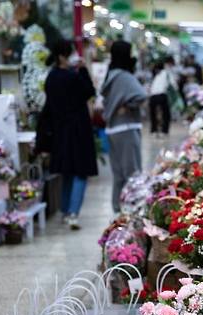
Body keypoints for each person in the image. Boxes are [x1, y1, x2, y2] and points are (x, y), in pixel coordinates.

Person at [38, 39, 97, 230]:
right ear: (63, 56)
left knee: (67, 172)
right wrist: (84, 70)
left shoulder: (51, 77)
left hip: (60, 131)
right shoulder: (73, 77)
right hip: (78, 130)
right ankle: (73, 212)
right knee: (80, 172)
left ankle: (65, 211)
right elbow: (89, 91)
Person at [101, 40, 147, 213]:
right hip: (127, 127)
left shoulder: (111, 74)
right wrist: (129, 105)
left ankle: (117, 210)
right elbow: (141, 95)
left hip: (113, 129)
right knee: (133, 173)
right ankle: (133, 210)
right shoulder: (125, 77)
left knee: (119, 175)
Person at [149, 61, 176, 135]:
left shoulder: (156, 74)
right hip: (161, 95)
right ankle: (164, 130)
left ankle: (154, 130)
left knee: (153, 113)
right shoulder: (167, 73)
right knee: (166, 113)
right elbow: (174, 84)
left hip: (153, 95)